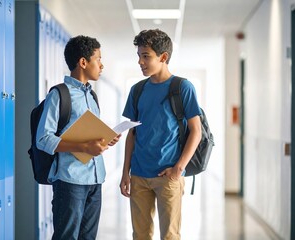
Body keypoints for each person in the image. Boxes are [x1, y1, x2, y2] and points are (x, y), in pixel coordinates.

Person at [119, 29, 202, 240]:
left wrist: (178, 169)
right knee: (140, 235)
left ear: (163, 57)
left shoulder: (182, 87)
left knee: (170, 236)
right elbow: (132, 134)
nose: (140, 61)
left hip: (168, 175)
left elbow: (196, 131)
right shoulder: (137, 90)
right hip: (139, 175)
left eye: (146, 56)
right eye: (139, 55)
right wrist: (125, 173)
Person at [36, 35, 121, 240]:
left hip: (95, 179)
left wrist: (104, 140)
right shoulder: (59, 95)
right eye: (98, 59)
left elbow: (88, 136)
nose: (102, 65)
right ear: (83, 62)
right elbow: (43, 139)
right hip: (70, 180)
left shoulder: (92, 96)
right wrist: (84, 147)